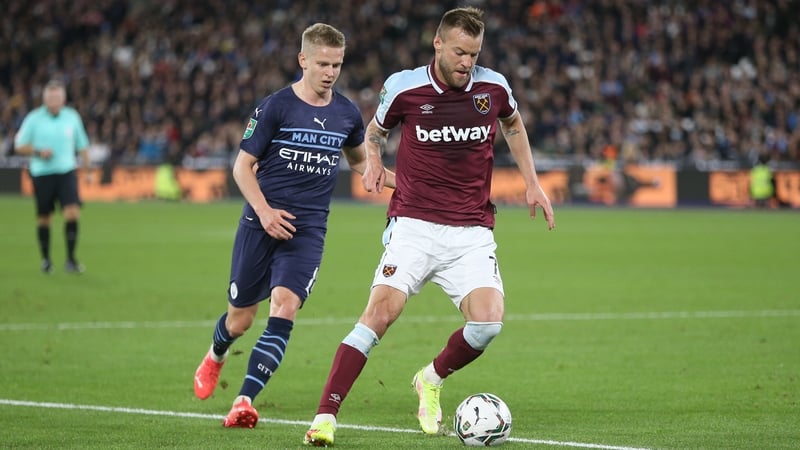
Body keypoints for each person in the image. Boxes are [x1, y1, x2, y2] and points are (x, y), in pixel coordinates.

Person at [304, 6, 555, 446]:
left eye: (474, 54)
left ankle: (431, 378)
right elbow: (375, 133)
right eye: (460, 52)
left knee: (488, 324)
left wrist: (532, 183)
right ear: (438, 44)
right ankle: (325, 416)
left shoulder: (493, 88)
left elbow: (513, 125)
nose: (467, 62)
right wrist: (374, 163)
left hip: (471, 230)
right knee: (381, 313)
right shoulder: (405, 87)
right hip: (414, 224)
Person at [192, 23, 393, 429]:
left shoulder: (347, 113)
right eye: (322, 63)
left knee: (285, 306)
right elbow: (242, 166)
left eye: (337, 64)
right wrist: (265, 212)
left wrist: (400, 181)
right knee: (241, 319)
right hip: (259, 223)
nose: (330, 72)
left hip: (308, 230)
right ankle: (215, 355)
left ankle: (244, 400)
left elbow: (358, 161)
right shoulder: (276, 107)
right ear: (303, 60)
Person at [14, 79, 91, 274]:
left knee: (72, 212)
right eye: (50, 96)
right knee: (44, 218)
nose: (53, 100)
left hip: (66, 171)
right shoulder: (34, 118)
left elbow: (82, 145)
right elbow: (19, 145)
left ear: (63, 98)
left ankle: (71, 260)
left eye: (57, 96)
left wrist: (88, 170)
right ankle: (46, 260)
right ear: (44, 99)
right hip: (42, 173)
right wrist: (39, 152)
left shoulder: (72, 117)